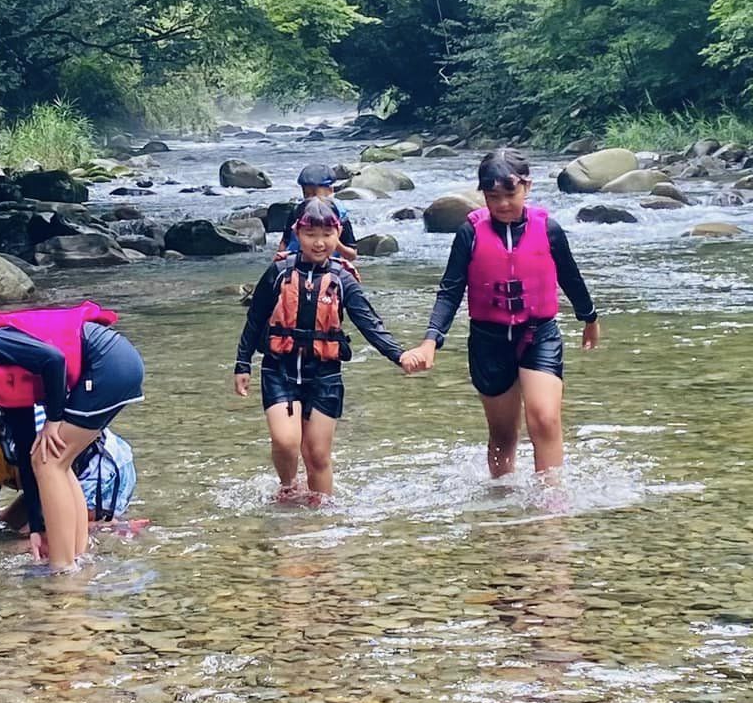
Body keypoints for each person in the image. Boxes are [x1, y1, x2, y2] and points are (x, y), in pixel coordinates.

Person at [400, 148, 601, 478]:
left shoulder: (548, 229)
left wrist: (589, 317)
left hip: (538, 335)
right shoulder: (470, 233)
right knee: (504, 433)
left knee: (545, 418)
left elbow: (570, 276)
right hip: (489, 341)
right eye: (493, 197)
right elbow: (450, 291)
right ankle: (502, 500)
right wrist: (430, 341)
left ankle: (551, 503)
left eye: (511, 194)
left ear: (527, 187)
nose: (503, 204)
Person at [0, 302, 144, 572]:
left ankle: (62, 569)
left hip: (108, 364)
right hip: (109, 367)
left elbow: (53, 360)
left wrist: (53, 422)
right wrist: (35, 526)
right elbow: (25, 448)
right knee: (47, 458)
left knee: (48, 461)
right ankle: (78, 557)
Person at [234, 198, 415, 505]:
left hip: (325, 375)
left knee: (317, 455)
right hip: (279, 368)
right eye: (310, 235)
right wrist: (242, 364)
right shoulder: (278, 272)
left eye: (327, 235)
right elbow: (256, 318)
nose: (319, 243)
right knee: (286, 441)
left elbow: (369, 324)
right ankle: (288, 485)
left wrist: (399, 355)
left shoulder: (343, 280)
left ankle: (321, 518)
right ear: (297, 233)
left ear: (338, 233)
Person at [0, 399, 136, 534]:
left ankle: (114, 527)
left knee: (31, 542)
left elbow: (60, 475)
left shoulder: (30, 424)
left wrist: (38, 528)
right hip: (50, 481)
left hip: (103, 468)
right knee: (3, 525)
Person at [277, 162, 358, 258]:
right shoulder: (298, 212)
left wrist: (335, 243)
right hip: (298, 263)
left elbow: (352, 255)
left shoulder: (339, 216)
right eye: (306, 195)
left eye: (315, 194)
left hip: (327, 265)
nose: (311, 199)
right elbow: (285, 242)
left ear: (330, 190)